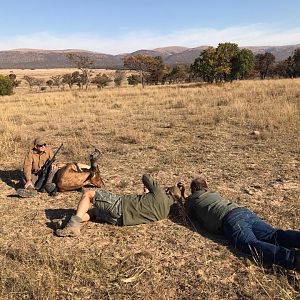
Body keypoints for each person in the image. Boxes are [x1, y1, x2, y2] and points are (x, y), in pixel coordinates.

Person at [180, 177, 300, 271]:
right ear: (206, 187)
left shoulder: (193, 200)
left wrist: (183, 195)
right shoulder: (213, 194)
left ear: (193, 190)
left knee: (250, 244)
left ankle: (294, 259)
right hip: (244, 212)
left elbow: (186, 211)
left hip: (231, 219)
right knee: (273, 234)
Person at [56, 174, 182, 237]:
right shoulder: (166, 211)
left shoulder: (160, 193)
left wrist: (155, 189)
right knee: (94, 212)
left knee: (88, 195)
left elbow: (145, 177)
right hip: (120, 221)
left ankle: (73, 225)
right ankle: (67, 222)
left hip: (120, 205)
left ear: (168, 191)